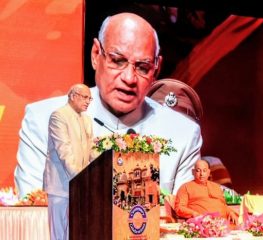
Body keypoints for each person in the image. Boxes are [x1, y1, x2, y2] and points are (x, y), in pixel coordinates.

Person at [14, 13, 202, 198]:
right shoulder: (43, 120)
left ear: (156, 68)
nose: (129, 78)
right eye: (118, 60)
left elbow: (185, 217)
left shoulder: (182, 134)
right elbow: (33, 213)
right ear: (96, 55)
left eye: (143, 67)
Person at [43, 83, 95, 240]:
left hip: (80, 187)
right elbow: (64, 151)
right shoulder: (59, 116)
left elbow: (90, 151)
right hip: (60, 185)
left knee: (77, 232)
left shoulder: (87, 120)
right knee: (59, 234)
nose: (88, 101)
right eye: (85, 97)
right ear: (73, 96)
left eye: (90, 98)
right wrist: (80, 179)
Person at [174, 159, 238, 224]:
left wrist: (231, 212)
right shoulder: (185, 187)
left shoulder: (216, 187)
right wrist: (194, 213)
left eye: (204, 171)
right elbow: (179, 208)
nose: (201, 174)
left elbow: (223, 206)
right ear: (193, 172)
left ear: (208, 172)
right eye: (198, 171)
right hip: (202, 224)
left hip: (223, 223)